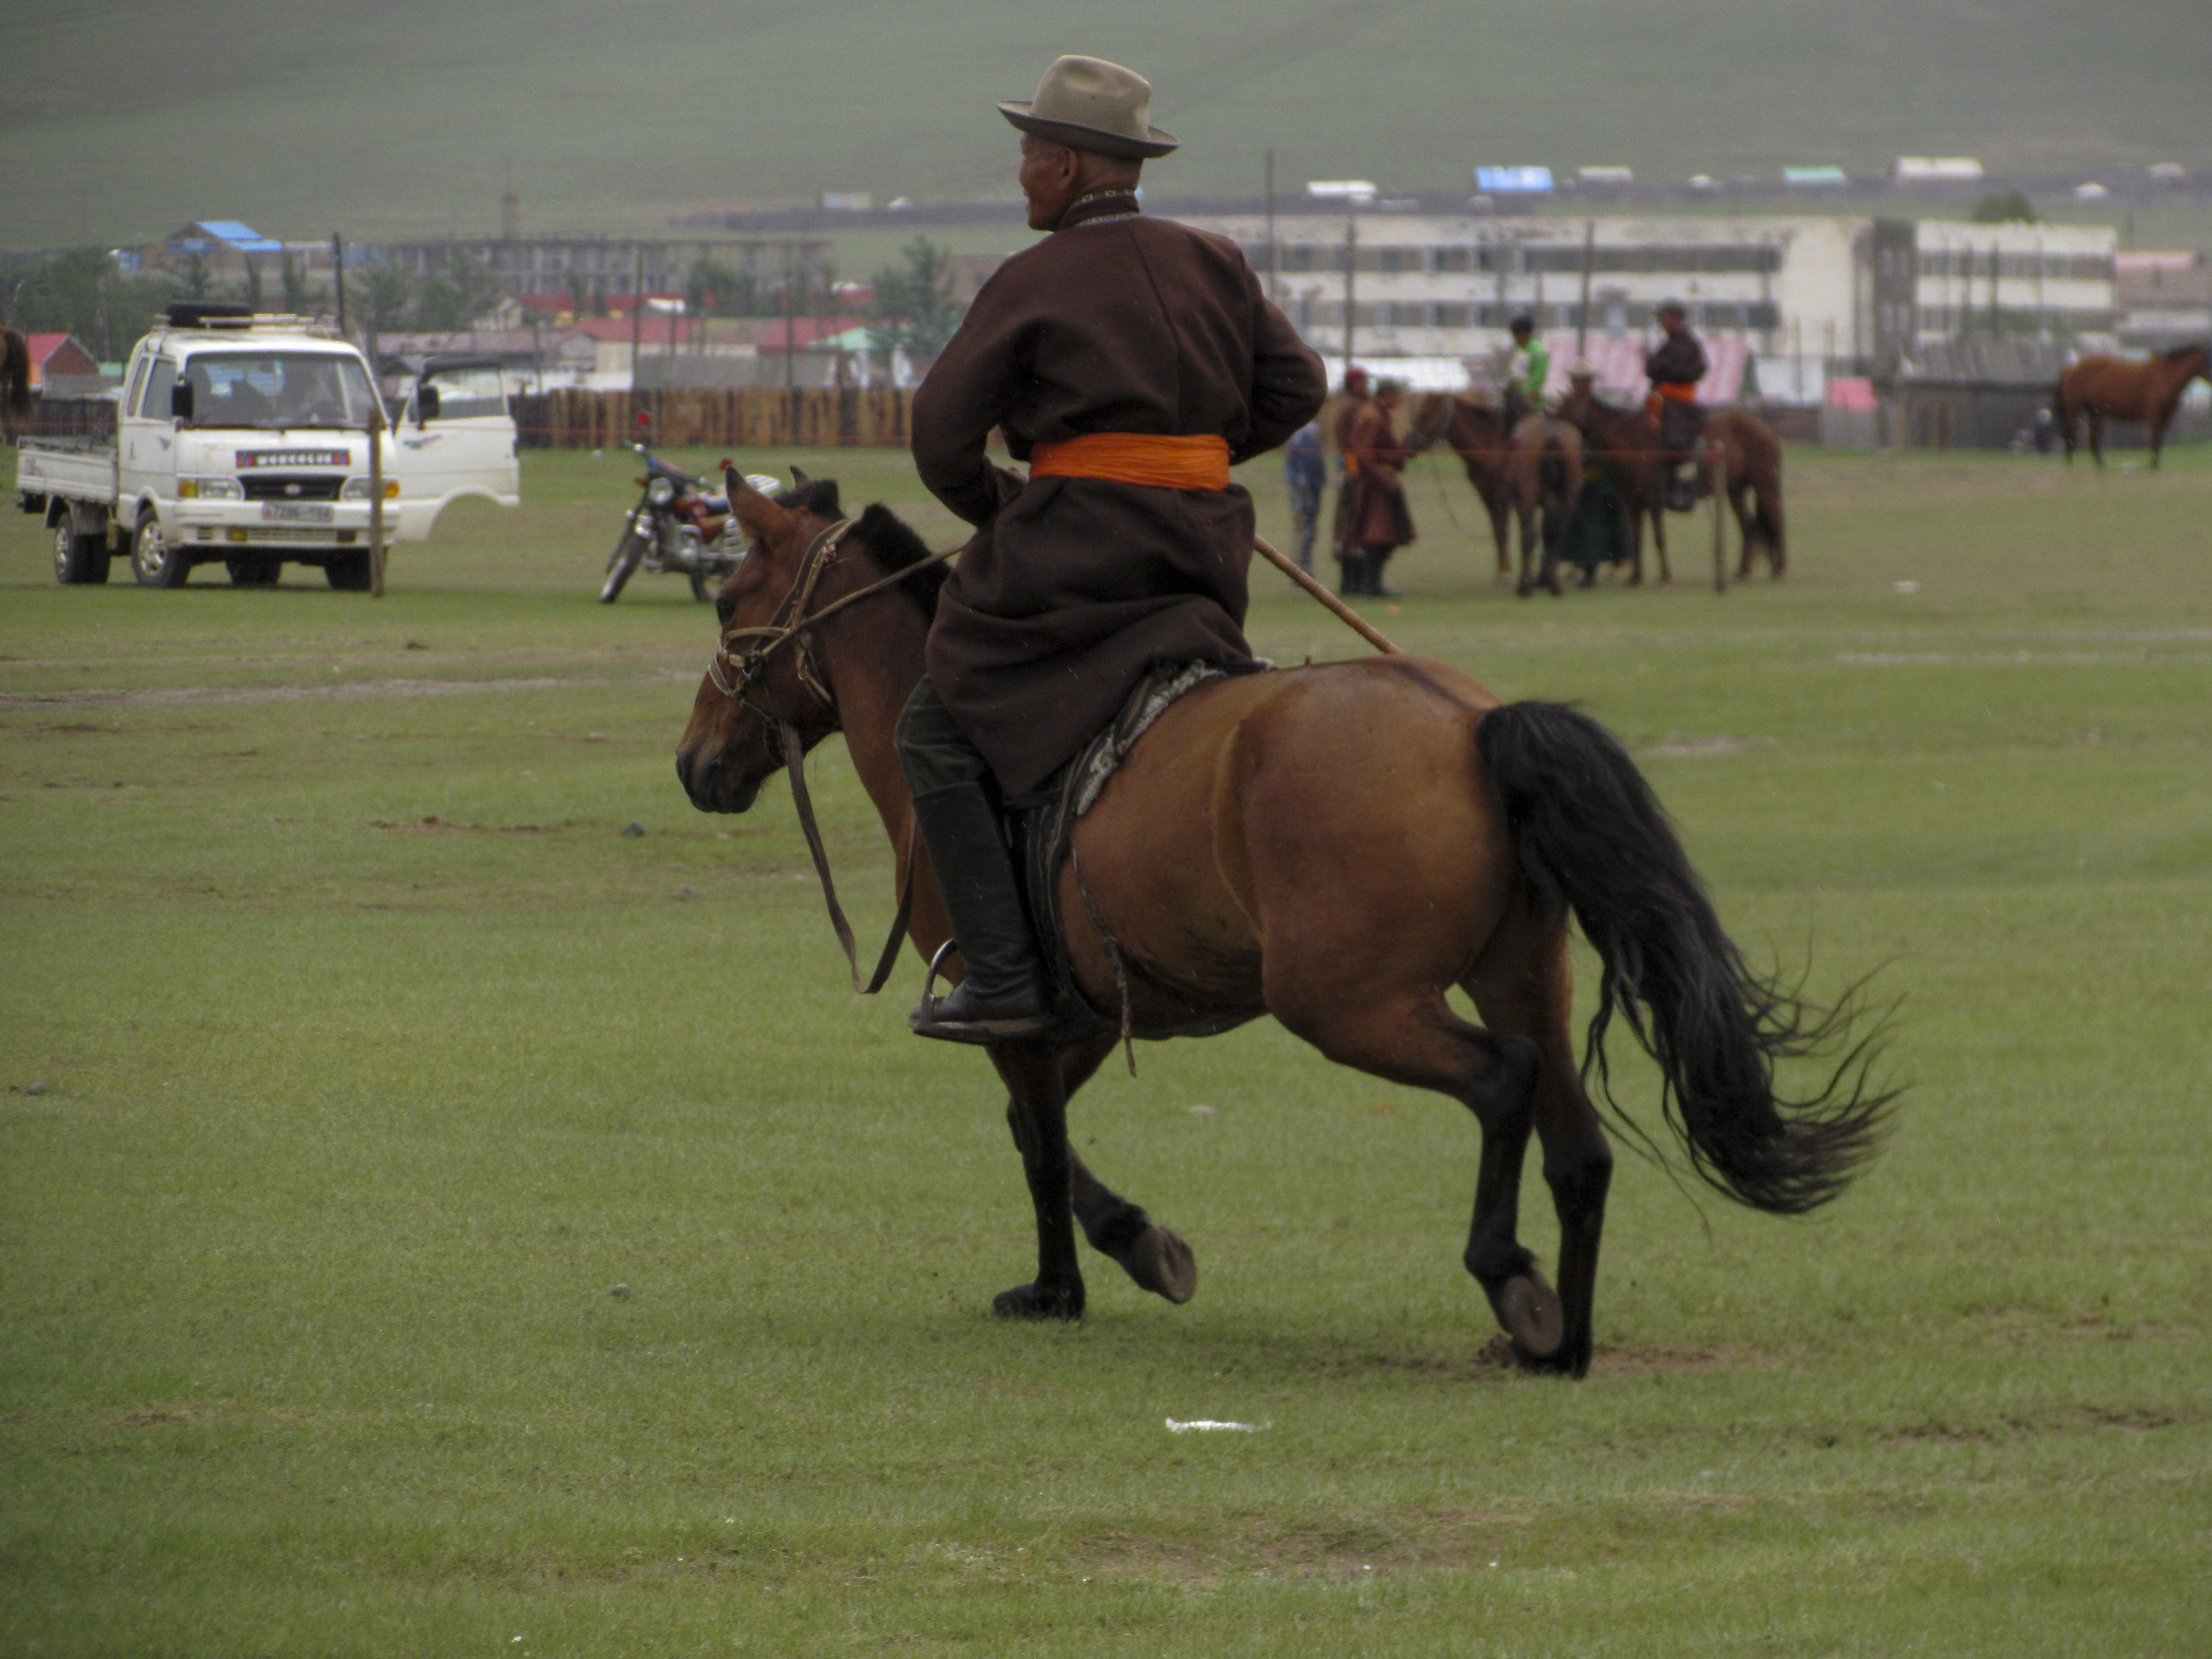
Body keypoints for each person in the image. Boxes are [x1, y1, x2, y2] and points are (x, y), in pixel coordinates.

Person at [896, 54, 1327, 1043]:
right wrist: (1190, 463)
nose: (1019, 173)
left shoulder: (1032, 278)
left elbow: (937, 434)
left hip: (1072, 568)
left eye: (1029, 152)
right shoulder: (1216, 260)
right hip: (1198, 566)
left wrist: (1003, 506)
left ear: (1073, 166)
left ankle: (1003, 976)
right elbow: (1297, 389)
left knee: (931, 726)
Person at [1339, 377, 1416, 596]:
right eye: (1397, 395)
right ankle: (1371, 585)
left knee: (1377, 536)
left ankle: (1369, 584)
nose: (1400, 400)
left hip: (1373, 481)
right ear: (1388, 395)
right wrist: (1383, 475)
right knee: (1378, 536)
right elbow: (1364, 453)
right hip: (1373, 485)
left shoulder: (1374, 413)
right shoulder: (1373, 417)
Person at [1644, 300, 1709, 510]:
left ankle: (1684, 489)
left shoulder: (1685, 343)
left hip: (1678, 401)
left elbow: (1658, 368)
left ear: (1675, 319)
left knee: (1676, 442)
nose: (1661, 322)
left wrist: (1655, 365)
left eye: (1664, 318)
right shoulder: (1670, 343)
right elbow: (1653, 369)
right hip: (1661, 398)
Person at [1285, 418, 1324, 571]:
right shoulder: (1309, 431)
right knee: (1306, 530)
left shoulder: (1298, 430)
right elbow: (1310, 463)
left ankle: (1301, 570)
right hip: (1306, 487)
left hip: (1302, 485)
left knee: (1303, 529)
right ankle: (1302, 571)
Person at [1502, 314, 1549, 429]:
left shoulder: (1538, 351)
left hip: (1528, 403)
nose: (1515, 339)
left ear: (1525, 334)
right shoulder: (1518, 349)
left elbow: (1538, 379)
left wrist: (1522, 393)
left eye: (1516, 336)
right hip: (1513, 397)